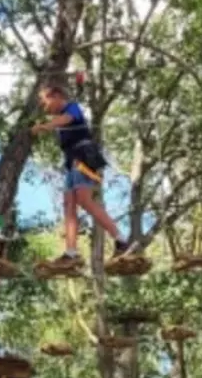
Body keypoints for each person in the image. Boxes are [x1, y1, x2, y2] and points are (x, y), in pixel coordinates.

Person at [31, 83, 131, 261]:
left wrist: (47, 126)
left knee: (84, 200)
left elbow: (67, 119)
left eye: (45, 101)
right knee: (69, 205)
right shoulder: (61, 117)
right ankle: (71, 252)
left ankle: (121, 240)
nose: (44, 107)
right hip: (71, 163)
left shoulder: (72, 108)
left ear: (56, 96)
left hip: (83, 158)